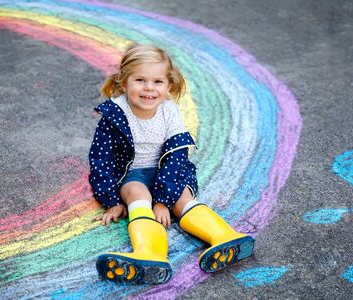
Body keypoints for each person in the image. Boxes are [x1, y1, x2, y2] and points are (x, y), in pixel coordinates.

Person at [88, 44, 254, 285]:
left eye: (157, 82)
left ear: (169, 85)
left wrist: (164, 201)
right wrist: (111, 201)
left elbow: (177, 157)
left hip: (169, 171)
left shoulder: (170, 112)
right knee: (136, 193)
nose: (149, 88)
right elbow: (101, 160)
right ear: (124, 83)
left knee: (183, 199)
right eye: (140, 80)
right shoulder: (114, 114)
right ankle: (150, 254)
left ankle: (225, 237)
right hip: (132, 173)